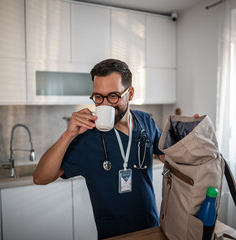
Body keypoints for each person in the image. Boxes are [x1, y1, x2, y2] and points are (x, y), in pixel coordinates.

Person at [33, 59, 165, 239]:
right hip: (113, 235)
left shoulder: (145, 121)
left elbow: (166, 155)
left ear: (130, 93)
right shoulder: (87, 137)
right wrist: (68, 135)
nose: (105, 104)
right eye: (98, 97)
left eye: (113, 96)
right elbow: (40, 178)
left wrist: (189, 136)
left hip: (151, 229)